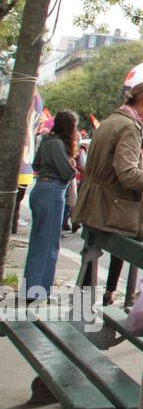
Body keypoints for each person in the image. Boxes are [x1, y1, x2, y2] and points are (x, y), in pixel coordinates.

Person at [72, 81, 143, 305]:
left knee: (91, 261)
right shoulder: (129, 126)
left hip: (94, 205)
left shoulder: (110, 121)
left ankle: (83, 310)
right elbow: (129, 175)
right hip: (110, 206)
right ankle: (89, 310)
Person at [21, 111, 79, 302]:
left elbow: (36, 163)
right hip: (53, 191)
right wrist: (72, 166)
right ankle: (38, 290)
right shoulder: (56, 144)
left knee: (40, 240)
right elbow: (66, 172)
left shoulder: (47, 140)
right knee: (47, 243)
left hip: (42, 188)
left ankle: (35, 287)